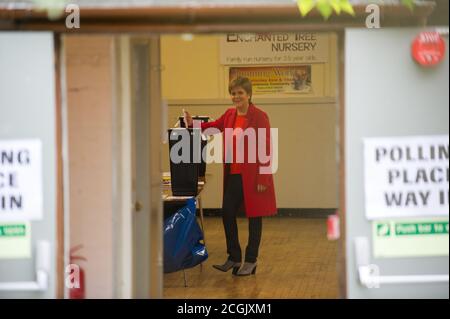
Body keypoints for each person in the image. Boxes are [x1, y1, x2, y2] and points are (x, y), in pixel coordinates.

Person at [183, 76, 277, 276]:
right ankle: (234, 257)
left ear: (249, 95)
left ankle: (251, 261)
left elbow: (266, 148)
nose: (236, 96)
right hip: (234, 173)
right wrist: (193, 125)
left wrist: (263, 178)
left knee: (254, 218)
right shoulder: (229, 115)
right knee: (227, 213)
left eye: (240, 93)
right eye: (233, 93)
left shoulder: (260, 116)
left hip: (253, 176)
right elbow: (214, 126)